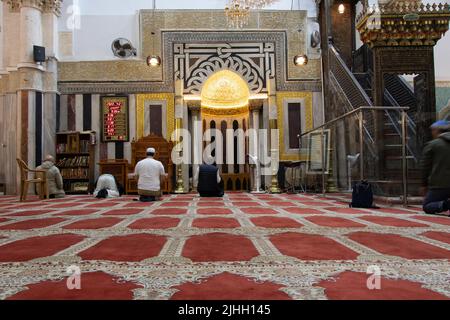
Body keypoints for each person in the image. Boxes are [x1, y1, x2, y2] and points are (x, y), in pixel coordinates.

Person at [421, 120, 450, 215]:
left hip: (440, 185)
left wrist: (423, 184)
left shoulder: (433, 145)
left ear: (436, 131)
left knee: (427, 206)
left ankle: (446, 204)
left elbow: (425, 167)